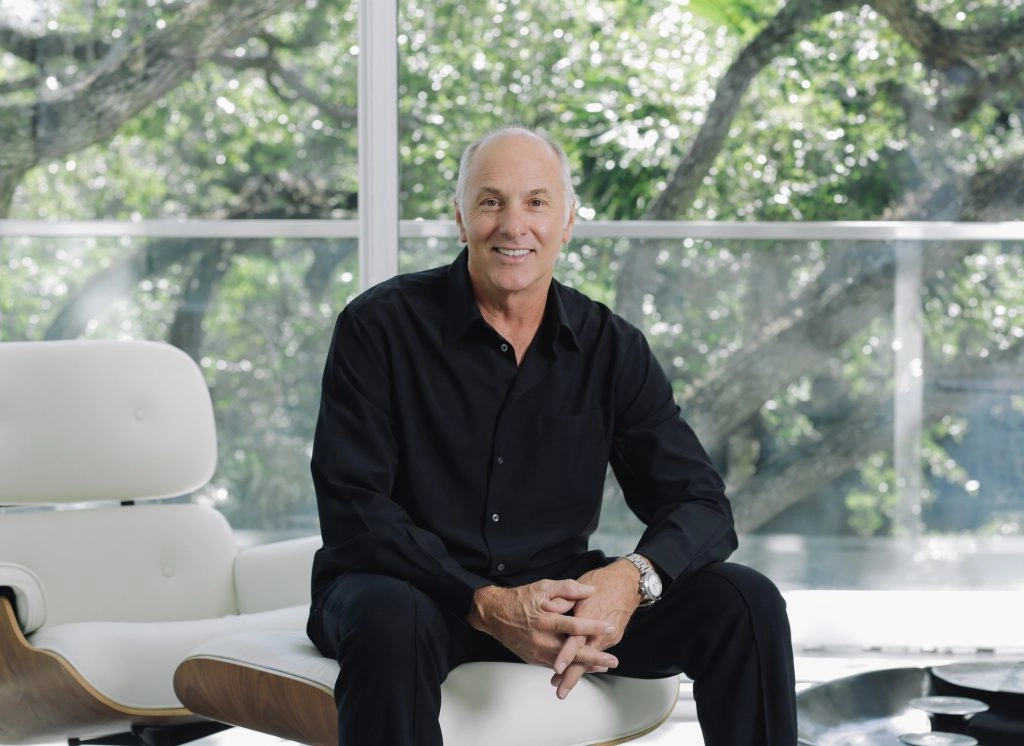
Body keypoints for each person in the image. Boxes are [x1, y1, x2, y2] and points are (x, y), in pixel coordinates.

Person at [307, 125, 797, 745]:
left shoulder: (611, 347)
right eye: (491, 202)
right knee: (387, 619)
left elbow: (701, 504)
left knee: (745, 600)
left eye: (537, 202)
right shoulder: (377, 327)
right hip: (414, 591)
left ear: (567, 221)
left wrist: (632, 576)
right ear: (460, 219)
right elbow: (355, 509)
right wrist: (482, 600)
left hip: (555, 597)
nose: (515, 226)